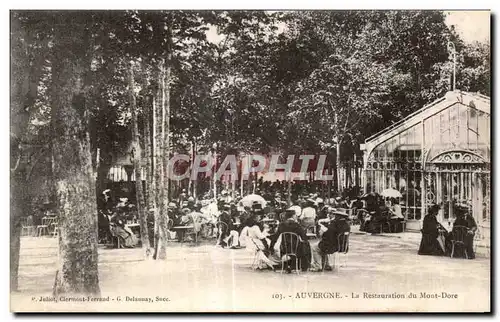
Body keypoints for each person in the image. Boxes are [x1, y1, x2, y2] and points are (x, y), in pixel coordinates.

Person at [270, 208, 310, 273]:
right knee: (306, 244)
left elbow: (275, 237)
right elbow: (304, 237)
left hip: (284, 248)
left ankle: (287, 265)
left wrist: (271, 247)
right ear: (293, 216)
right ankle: (304, 266)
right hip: (295, 249)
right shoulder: (297, 225)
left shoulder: (282, 225)